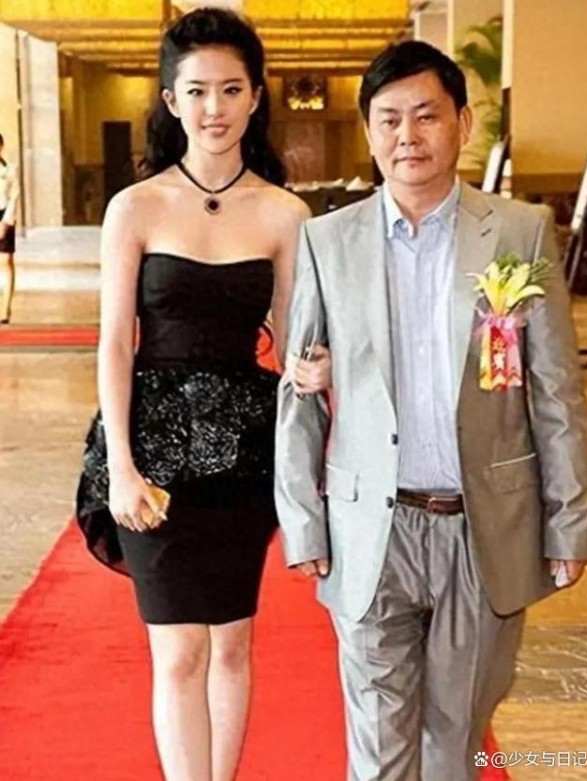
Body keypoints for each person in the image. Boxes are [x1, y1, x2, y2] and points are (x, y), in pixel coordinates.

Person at [275, 40, 587, 781]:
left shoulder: (517, 233)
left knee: (454, 742)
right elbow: (300, 392)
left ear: (462, 122)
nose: (407, 136)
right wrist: (303, 520)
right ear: (368, 131)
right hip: (371, 528)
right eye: (389, 119)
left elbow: (555, 391)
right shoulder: (328, 241)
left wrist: (570, 519)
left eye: (426, 116)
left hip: (480, 527)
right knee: (378, 744)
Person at [75, 9, 329, 781]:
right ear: (171, 100)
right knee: (180, 648)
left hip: (245, 452)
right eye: (196, 91)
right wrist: (122, 465)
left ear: (255, 97)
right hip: (153, 450)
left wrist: (316, 370)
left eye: (230, 89)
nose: (213, 107)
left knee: (233, 642)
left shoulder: (285, 213)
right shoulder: (136, 206)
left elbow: (294, 336)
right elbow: (115, 341)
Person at [0, 133, 20, 324]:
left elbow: (14, 196)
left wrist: (5, 223)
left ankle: (5, 309)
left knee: (6, 261)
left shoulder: (9, 170)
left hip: (4, 215)